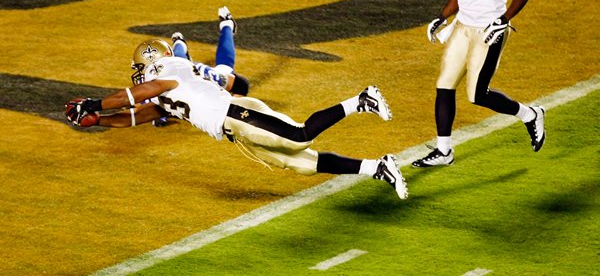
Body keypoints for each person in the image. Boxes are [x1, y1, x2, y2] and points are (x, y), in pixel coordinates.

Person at [65, 39, 408, 199]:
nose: (138, 76)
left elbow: (142, 92)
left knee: (299, 135)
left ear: (149, 61)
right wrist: (99, 121)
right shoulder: (162, 93)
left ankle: (362, 100)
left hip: (237, 113)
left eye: (139, 69)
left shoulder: (168, 69)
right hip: (234, 129)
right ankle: (376, 167)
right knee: (300, 164)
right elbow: (138, 115)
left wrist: (96, 101)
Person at [412, 0, 545, 168]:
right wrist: (442, 15)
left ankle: (530, 114)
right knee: (444, 84)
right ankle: (444, 151)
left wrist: (504, 19)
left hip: (489, 28)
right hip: (463, 25)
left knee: (478, 95)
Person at [152, 6, 248, 127]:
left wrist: (235, 103)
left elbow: (241, 84)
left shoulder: (180, 78)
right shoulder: (171, 74)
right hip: (189, 73)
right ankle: (180, 42)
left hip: (199, 77)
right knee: (222, 67)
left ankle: (226, 25)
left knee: (224, 70)